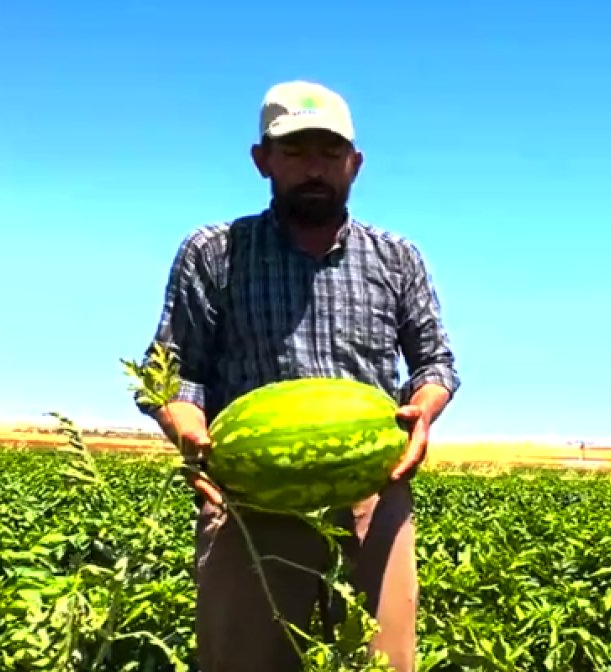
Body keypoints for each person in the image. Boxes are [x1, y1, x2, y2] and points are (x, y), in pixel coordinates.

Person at [133, 80, 460, 672]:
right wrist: (189, 434)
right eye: (295, 152)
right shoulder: (215, 252)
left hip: (372, 489)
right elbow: (172, 373)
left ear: (354, 164)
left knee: (382, 664)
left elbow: (436, 363)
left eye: (329, 153)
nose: (315, 169)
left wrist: (424, 410)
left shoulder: (397, 258)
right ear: (262, 160)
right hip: (250, 498)